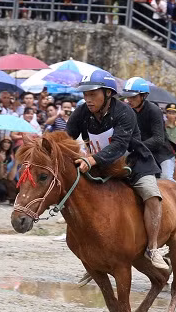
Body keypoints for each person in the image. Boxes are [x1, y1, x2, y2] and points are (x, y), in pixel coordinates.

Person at [66, 69, 167, 272]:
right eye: (85, 95)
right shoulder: (81, 111)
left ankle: (153, 248)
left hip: (133, 162)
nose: (88, 99)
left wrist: (92, 159)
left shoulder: (124, 112)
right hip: (100, 164)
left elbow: (120, 146)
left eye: (93, 94)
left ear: (108, 93)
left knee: (151, 196)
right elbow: (66, 136)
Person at [120, 77, 176, 180]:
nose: (129, 100)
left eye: (133, 97)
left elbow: (158, 139)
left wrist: (136, 147)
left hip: (161, 153)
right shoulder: (128, 111)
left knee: (166, 178)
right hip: (141, 151)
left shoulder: (154, 111)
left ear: (144, 96)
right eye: (128, 97)